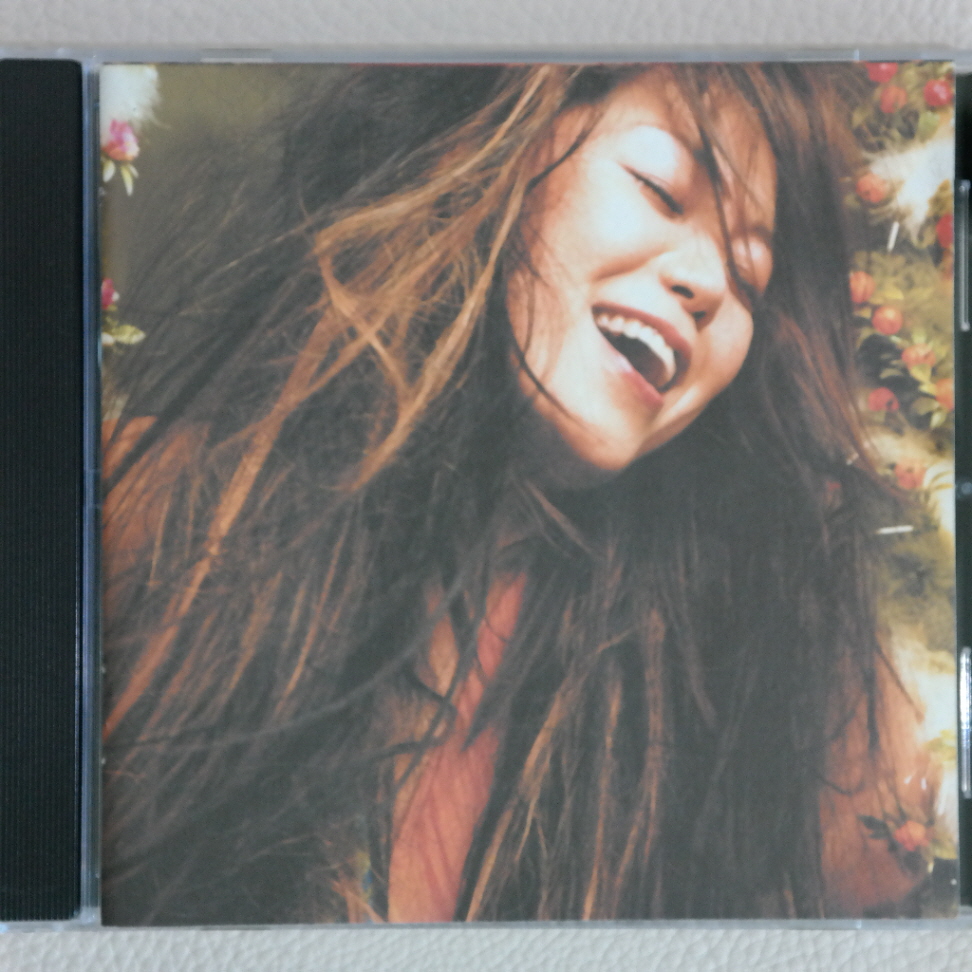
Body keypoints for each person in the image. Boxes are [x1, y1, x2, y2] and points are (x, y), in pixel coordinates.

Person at [100, 62, 937, 924]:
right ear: (501, 148)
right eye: (660, 189)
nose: (709, 285)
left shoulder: (734, 686)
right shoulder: (137, 520)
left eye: (748, 278)